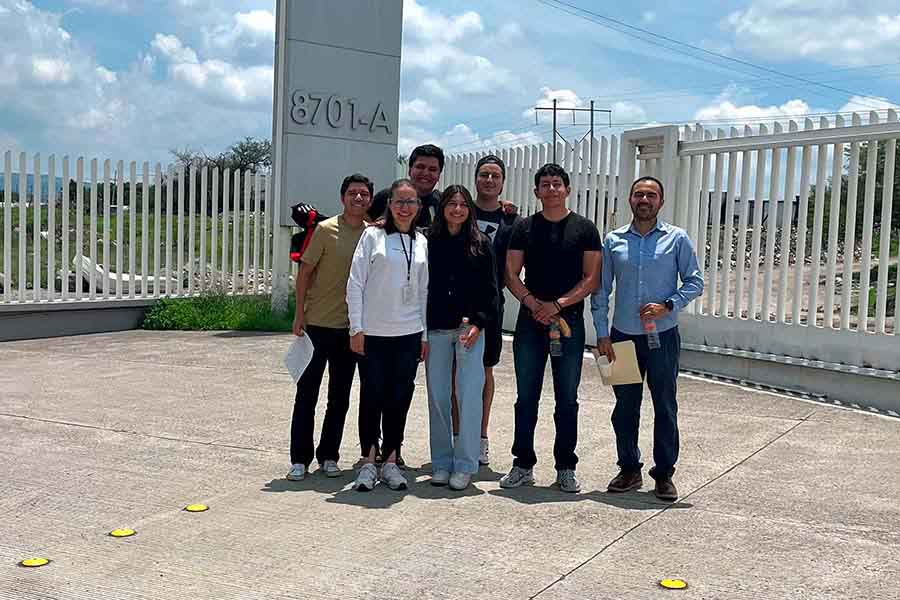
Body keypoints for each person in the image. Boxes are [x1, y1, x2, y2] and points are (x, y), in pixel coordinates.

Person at [591, 176, 703, 501]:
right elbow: (601, 290)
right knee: (624, 408)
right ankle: (629, 468)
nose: (644, 199)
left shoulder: (677, 239)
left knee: (665, 406)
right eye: (639, 193)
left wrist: (669, 304)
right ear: (630, 200)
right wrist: (601, 333)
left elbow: (695, 282)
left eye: (651, 195)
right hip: (621, 338)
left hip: (664, 338)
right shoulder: (612, 241)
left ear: (660, 202)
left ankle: (664, 473)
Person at [500, 163, 602, 493]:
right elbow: (511, 273)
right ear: (537, 192)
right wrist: (533, 304)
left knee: (567, 399)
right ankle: (522, 464)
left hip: (568, 321)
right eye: (545, 185)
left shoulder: (585, 229)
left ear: (567, 189)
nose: (551, 189)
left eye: (557, 184)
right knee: (526, 397)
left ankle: (565, 466)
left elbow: (591, 278)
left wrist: (557, 305)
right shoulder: (525, 228)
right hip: (530, 322)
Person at [286, 174, 373, 481]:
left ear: (370, 200)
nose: (358, 198)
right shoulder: (325, 230)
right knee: (306, 394)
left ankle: (329, 456)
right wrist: (299, 314)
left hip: (349, 328)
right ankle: (299, 459)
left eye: (364, 194)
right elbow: (305, 273)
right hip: (316, 325)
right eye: (353, 193)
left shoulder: (371, 234)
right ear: (342, 198)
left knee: (340, 397)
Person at [347, 178, 429, 491]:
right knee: (371, 396)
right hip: (373, 333)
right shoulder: (372, 236)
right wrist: (357, 328)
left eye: (411, 202)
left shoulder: (422, 241)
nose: (405, 208)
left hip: (408, 334)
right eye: (399, 201)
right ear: (389, 204)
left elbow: (423, 290)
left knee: (399, 398)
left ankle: (392, 460)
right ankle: (369, 462)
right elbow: (355, 283)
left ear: (419, 207)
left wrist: (423, 336)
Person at [425, 185, 498, 491]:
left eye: (462, 204)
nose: (457, 209)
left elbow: (491, 291)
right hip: (437, 328)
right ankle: (441, 462)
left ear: (469, 209)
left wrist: (479, 323)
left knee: (468, 395)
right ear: (442, 208)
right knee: (439, 396)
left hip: (470, 329)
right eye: (451, 204)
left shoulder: (480, 243)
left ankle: (465, 464)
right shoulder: (427, 241)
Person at [470, 154, 522, 466]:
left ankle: (481, 437)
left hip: (492, 304)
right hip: (456, 304)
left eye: (495, 176)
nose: (489, 180)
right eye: (484, 174)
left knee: (485, 370)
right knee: (455, 373)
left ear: (502, 182)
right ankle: (457, 436)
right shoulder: (460, 209)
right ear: (475, 179)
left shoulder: (512, 221)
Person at [369, 144, 444, 228]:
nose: (425, 173)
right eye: (420, 167)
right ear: (409, 170)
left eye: (432, 169)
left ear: (439, 175)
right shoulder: (385, 197)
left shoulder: (444, 203)